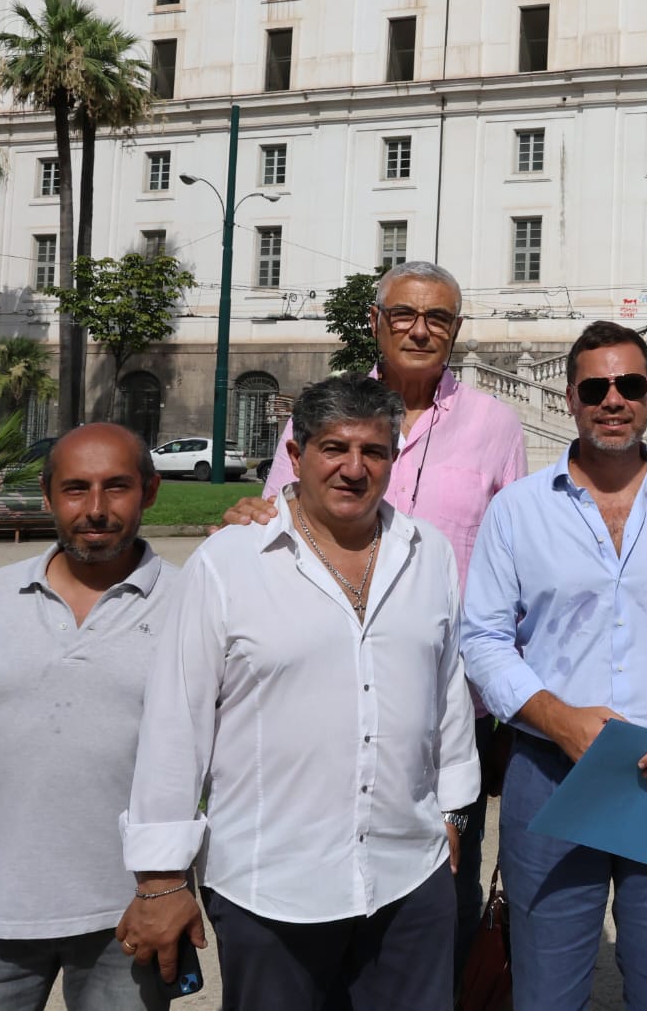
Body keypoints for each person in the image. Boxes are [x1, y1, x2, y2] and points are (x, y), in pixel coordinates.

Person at [119, 376, 479, 1010]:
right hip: (272, 884)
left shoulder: (429, 555)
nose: (353, 468)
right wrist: (159, 875)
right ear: (296, 455)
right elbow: (177, 720)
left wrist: (452, 807)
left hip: (408, 874)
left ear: (393, 460)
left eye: (373, 451)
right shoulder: (229, 562)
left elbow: (446, 689)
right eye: (334, 448)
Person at [220, 258, 525, 971]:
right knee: (326, 877)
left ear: (455, 330)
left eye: (439, 317)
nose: (421, 329)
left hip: (450, 702)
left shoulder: (494, 423)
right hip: (322, 690)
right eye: (405, 314)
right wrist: (246, 513)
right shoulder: (327, 409)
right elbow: (277, 514)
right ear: (377, 323)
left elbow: (515, 555)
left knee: (444, 880)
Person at [460, 320, 647, 1011]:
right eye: (596, 386)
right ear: (570, 396)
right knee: (548, 991)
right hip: (552, 768)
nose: (613, 399)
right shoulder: (517, 509)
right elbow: (484, 637)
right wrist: (557, 718)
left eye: (630, 384)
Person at [0, 424, 175, 1011]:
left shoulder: (193, 604)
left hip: (131, 912)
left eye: (116, 487)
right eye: (75, 489)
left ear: (149, 491)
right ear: (47, 496)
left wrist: (168, 889)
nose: (95, 509)